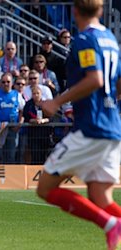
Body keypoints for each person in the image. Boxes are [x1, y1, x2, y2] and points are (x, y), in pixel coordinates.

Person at [37, 1, 121, 249]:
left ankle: (110, 225)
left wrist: (56, 102)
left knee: (45, 188)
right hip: (111, 126)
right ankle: (112, 223)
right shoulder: (111, 39)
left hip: (90, 128)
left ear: (75, 11)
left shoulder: (85, 40)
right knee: (100, 196)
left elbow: (94, 79)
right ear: (101, 10)